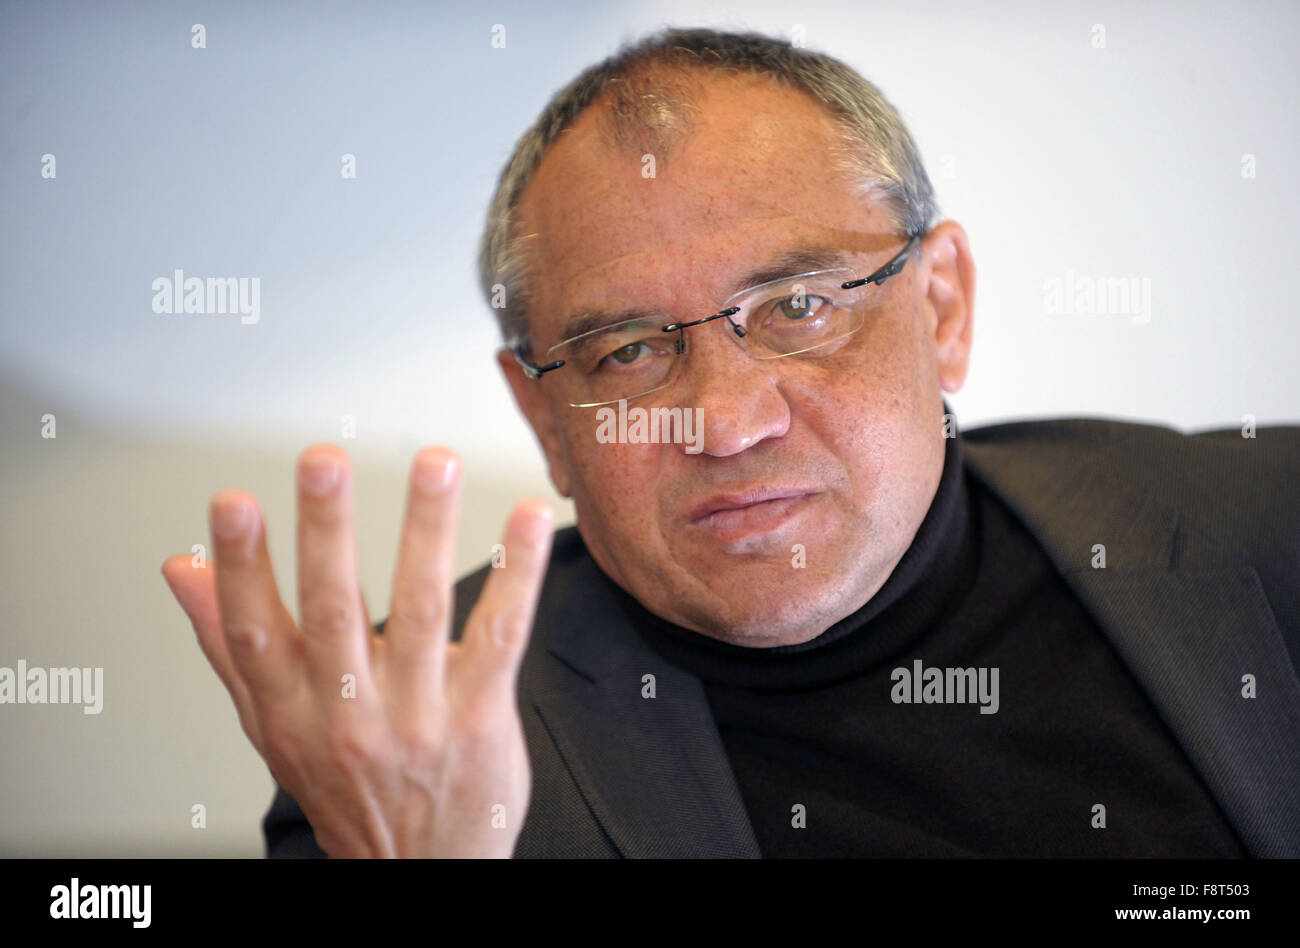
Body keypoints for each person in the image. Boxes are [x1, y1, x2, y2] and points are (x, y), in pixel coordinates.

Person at [161, 28, 1300, 858]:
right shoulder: (407, 745)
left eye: (801, 306)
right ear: (544, 419)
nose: (726, 421)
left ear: (941, 307)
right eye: (627, 352)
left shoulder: (1268, 525)